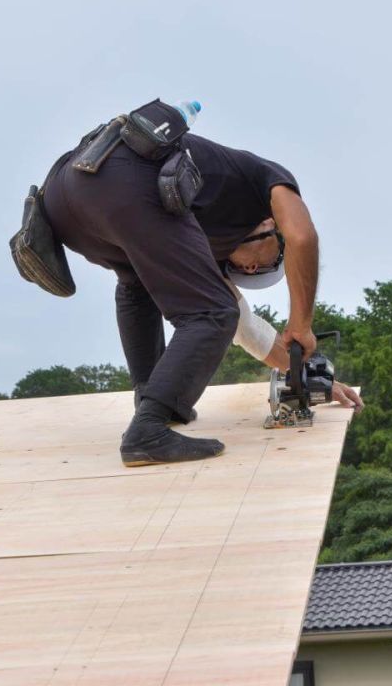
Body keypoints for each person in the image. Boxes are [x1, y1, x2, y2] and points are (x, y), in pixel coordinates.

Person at [41, 106, 361, 467]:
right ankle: (148, 430)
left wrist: (306, 377)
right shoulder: (266, 180)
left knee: (137, 284)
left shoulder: (191, 229)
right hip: (121, 177)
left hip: (65, 201)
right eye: (267, 263)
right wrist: (301, 325)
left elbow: (246, 328)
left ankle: (152, 406)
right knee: (211, 312)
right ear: (273, 226)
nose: (252, 267)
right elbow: (302, 236)